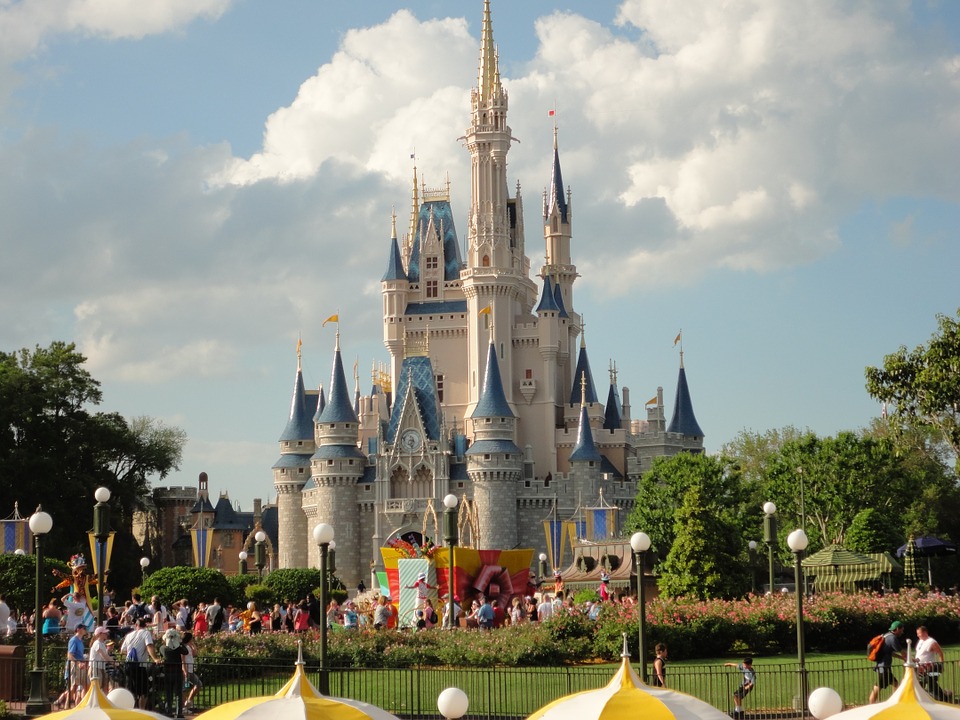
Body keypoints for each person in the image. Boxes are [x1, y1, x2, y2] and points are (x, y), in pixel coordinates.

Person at [120, 617, 160, 709]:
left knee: (131, 691)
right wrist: (155, 658)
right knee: (143, 691)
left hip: (129, 665)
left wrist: (132, 654)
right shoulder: (146, 633)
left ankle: (130, 710)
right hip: (140, 666)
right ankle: (141, 711)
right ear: (145, 625)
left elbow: (122, 650)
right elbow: (149, 646)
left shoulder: (129, 635)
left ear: (136, 625)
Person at [869, 621, 906, 703]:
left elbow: (890, 652)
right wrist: (910, 659)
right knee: (877, 687)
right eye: (901, 630)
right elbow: (901, 651)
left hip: (884, 667)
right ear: (896, 629)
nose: (902, 632)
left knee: (895, 684)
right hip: (884, 667)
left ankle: (893, 702)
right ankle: (872, 705)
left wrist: (902, 658)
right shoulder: (893, 638)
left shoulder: (886, 636)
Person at [916, 625, 952, 701]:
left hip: (929, 667)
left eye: (919, 633)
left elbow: (940, 653)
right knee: (926, 683)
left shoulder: (931, 642)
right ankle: (944, 695)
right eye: (917, 633)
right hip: (920, 667)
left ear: (925, 632)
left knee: (929, 683)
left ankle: (942, 697)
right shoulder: (921, 641)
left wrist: (941, 665)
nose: (918, 635)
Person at [159, 628, 188, 718]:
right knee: (178, 693)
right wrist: (180, 642)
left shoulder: (163, 648)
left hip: (167, 673)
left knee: (169, 693)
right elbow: (185, 651)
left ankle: (169, 711)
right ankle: (179, 713)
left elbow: (161, 655)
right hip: (177, 673)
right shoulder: (178, 649)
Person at [57, 624, 87, 708]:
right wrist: (78, 663)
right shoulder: (74, 640)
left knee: (79, 685)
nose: (85, 630)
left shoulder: (80, 641)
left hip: (80, 664)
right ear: (78, 629)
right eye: (84, 628)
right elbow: (70, 654)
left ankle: (69, 704)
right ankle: (67, 705)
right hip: (75, 665)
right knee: (73, 686)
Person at [182, 631, 203, 712]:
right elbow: (182, 660)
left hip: (190, 669)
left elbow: (195, 653)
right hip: (186, 670)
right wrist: (185, 671)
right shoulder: (183, 647)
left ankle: (188, 702)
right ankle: (184, 707)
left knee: (198, 684)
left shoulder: (189, 646)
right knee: (185, 688)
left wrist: (192, 644)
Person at [88, 626, 114, 691]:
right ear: (100, 634)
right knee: (96, 688)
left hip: (100, 667)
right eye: (104, 633)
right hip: (95, 668)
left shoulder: (102, 644)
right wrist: (113, 662)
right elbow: (103, 655)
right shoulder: (97, 643)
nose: (106, 634)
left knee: (101, 687)